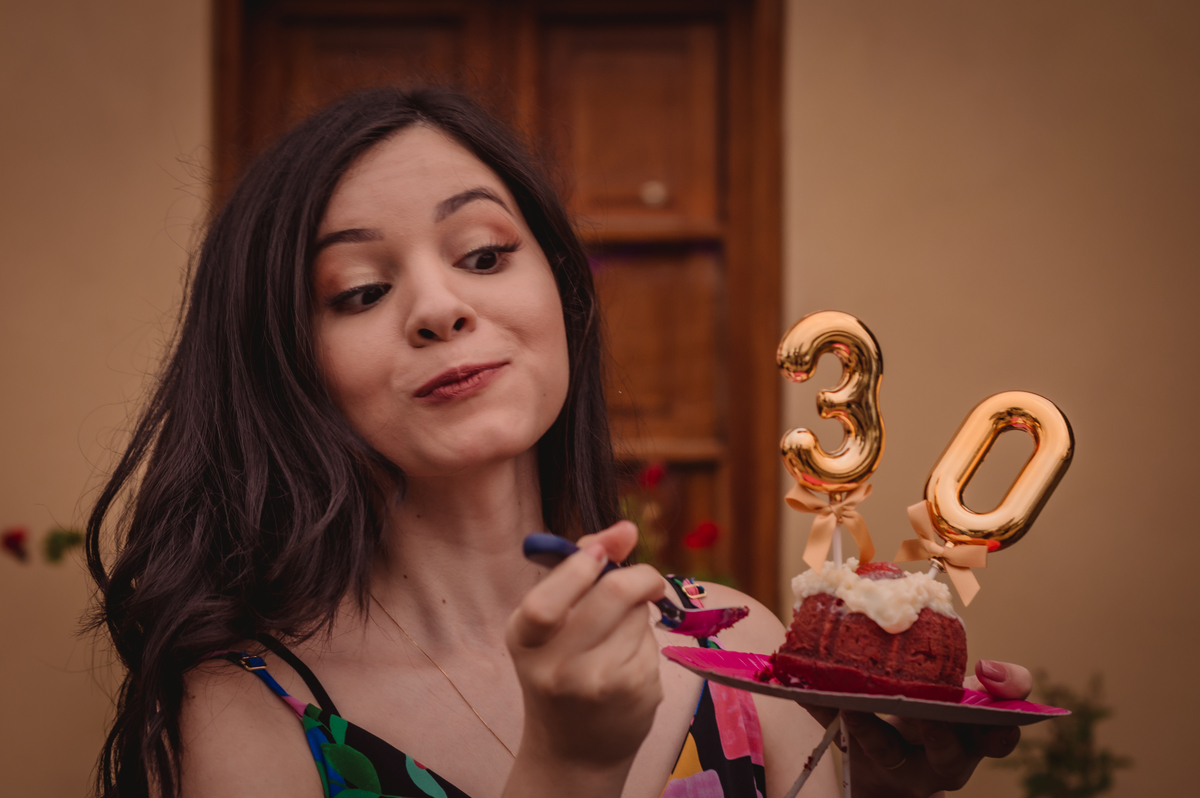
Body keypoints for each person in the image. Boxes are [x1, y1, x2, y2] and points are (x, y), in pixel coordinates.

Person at [86, 87, 1031, 798]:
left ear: (564, 296)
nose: (441, 308)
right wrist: (568, 764)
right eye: (362, 291)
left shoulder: (739, 649)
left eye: (486, 255)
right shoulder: (250, 715)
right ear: (286, 361)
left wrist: (879, 785)